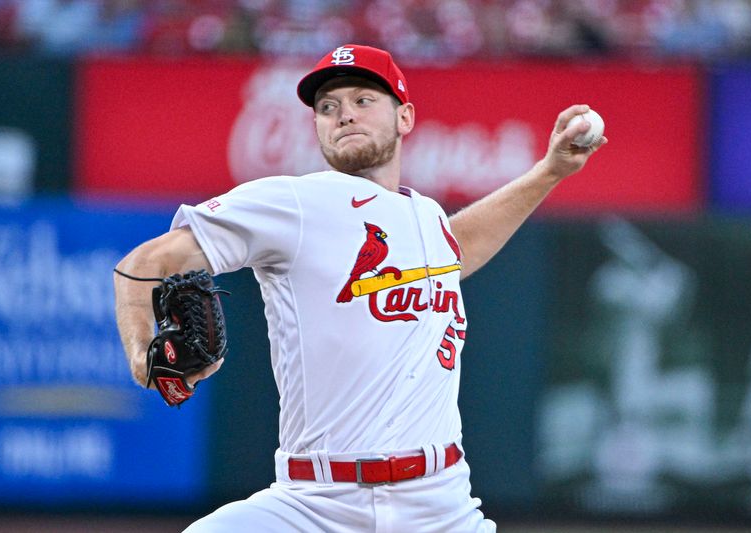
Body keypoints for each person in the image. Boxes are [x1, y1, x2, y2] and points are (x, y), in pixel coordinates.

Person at [114, 44, 606, 532]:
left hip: (440, 503)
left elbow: (456, 252)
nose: (343, 114)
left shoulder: (427, 217)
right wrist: (142, 357)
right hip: (313, 505)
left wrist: (550, 172)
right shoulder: (295, 203)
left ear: (405, 117)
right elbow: (143, 263)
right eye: (328, 108)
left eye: (362, 100)